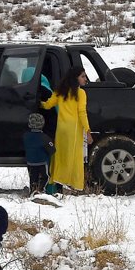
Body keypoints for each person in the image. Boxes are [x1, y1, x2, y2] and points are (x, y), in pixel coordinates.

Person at [40, 65, 91, 195]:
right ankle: (71, 183)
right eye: (83, 76)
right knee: (73, 156)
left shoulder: (60, 91)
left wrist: (36, 102)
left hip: (61, 128)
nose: (85, 79)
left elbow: (48, 105)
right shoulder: (80, 93)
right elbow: (82, 113)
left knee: (60, 155)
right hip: (73, 129)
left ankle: (57, 179)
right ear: (75, 78)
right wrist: (88, 131)